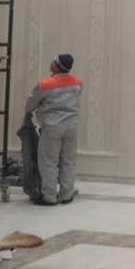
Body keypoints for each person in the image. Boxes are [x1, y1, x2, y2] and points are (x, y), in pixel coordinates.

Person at [24, 53, 83, 206]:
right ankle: (66, 195)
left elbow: (30, 104)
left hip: (52, 127)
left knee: (49, 161)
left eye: (54, 61)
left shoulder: (45, 84)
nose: (51, 62)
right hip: (72, 126)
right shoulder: (78, 82)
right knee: (68, 160)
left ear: (57, 66)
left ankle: (49, 197)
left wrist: (29, 112)